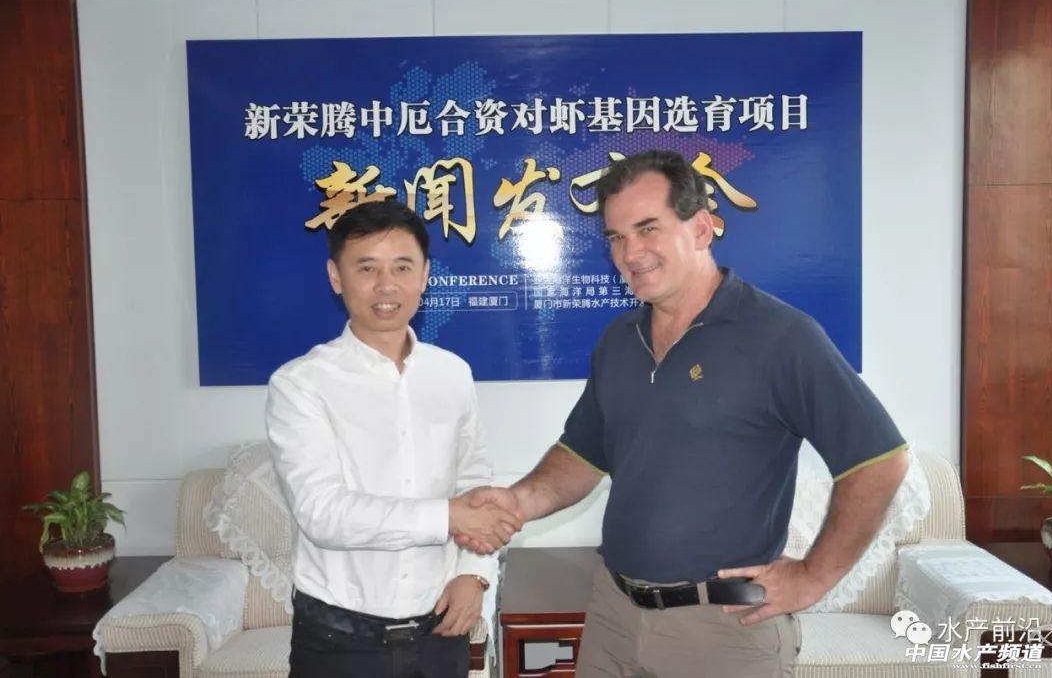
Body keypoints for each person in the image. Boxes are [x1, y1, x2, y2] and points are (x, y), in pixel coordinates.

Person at [458, 149, 909, 677]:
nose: (631, 252)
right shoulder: (619, 340)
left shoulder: (779, 337)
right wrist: (516, 501)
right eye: (616, 236)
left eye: (648, 229)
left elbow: (880, 461)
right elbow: (582, 454)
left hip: (722, 629)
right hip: (614, 616)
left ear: (700, 228)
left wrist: (814, 576)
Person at [266, 200, 522, 678]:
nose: (386, 286)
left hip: (439, 634)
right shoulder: (300, 384)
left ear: (425, 275)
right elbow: (323, 512)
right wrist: (449, 516)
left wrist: (473, 574)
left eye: (402, 267)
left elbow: (474, 480)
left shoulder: (452, 373)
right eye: (367, 268)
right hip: (339, 642)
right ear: (336, 276)